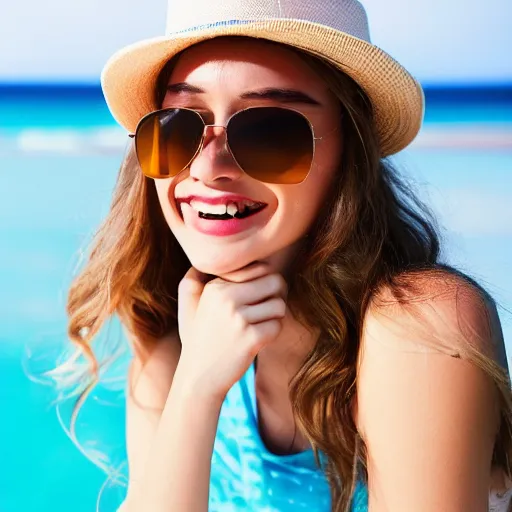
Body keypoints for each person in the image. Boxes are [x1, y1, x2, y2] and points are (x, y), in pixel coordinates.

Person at [61, 0, 512, 510]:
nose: (208, 167)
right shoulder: (173, 322)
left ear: (351, 149)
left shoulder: (422, 326)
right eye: (180, 125)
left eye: (269, 131)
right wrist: (198, 386)